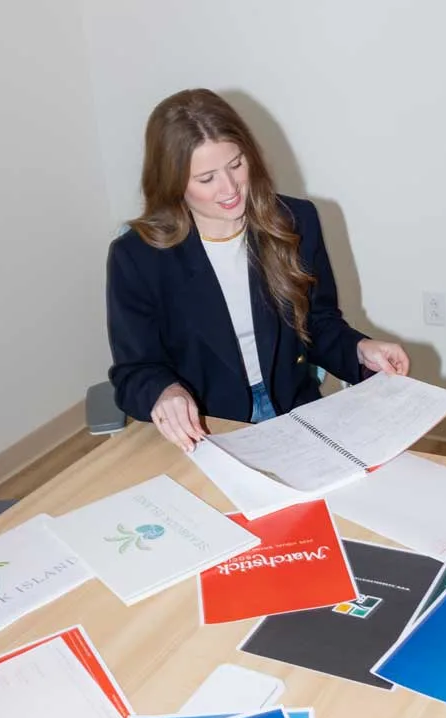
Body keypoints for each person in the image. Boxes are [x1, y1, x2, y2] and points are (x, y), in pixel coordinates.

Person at [107, 88, 409, 452]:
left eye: (236, 165)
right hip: (206, 427)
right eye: (207, 179)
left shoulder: (296, 222)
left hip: (294, 412)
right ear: (173, 184)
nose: (231, 188)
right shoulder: (138, 256)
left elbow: (318, 324)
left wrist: (360, 349)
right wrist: (164, 392)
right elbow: (135, 370)